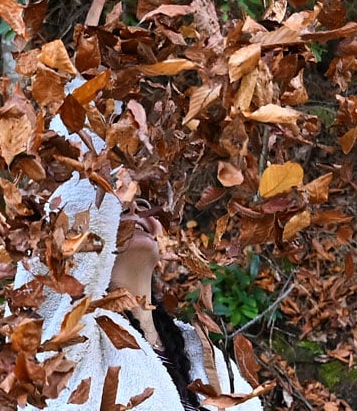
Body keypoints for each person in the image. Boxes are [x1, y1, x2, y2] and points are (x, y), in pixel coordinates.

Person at [14, 174, 262, 411]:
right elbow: (74, 198)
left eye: (143, 205)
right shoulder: (66, 328)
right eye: (119, 205)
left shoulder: (195, 347)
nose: (134, 210)